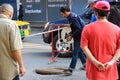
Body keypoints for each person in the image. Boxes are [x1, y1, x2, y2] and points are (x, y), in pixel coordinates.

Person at [81, 1, 120, 80]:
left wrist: (95, 62)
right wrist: (111, 62)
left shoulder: (87, 28)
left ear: (95, 12)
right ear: (108, 13)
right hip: (110, 69)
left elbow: (84, 47)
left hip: (93, 70)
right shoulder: (117, 29)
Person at [0, 4, 26, 80]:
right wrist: (21, 66)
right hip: (8, 72)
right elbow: (15, 49)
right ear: (10, 15)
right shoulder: (11, 24)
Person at [59, 7, 86, 75]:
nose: (63, 16)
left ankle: (70, 70)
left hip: (80, 36)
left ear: (65, 12)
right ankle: (86, 65)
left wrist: (71, 35)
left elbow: (78, 29)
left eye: (62, 14)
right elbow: (76, 29)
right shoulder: (72, 16)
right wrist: (70, 34)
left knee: (75, 52)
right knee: (79, 51)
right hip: (79, 35)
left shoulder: (73, 18)